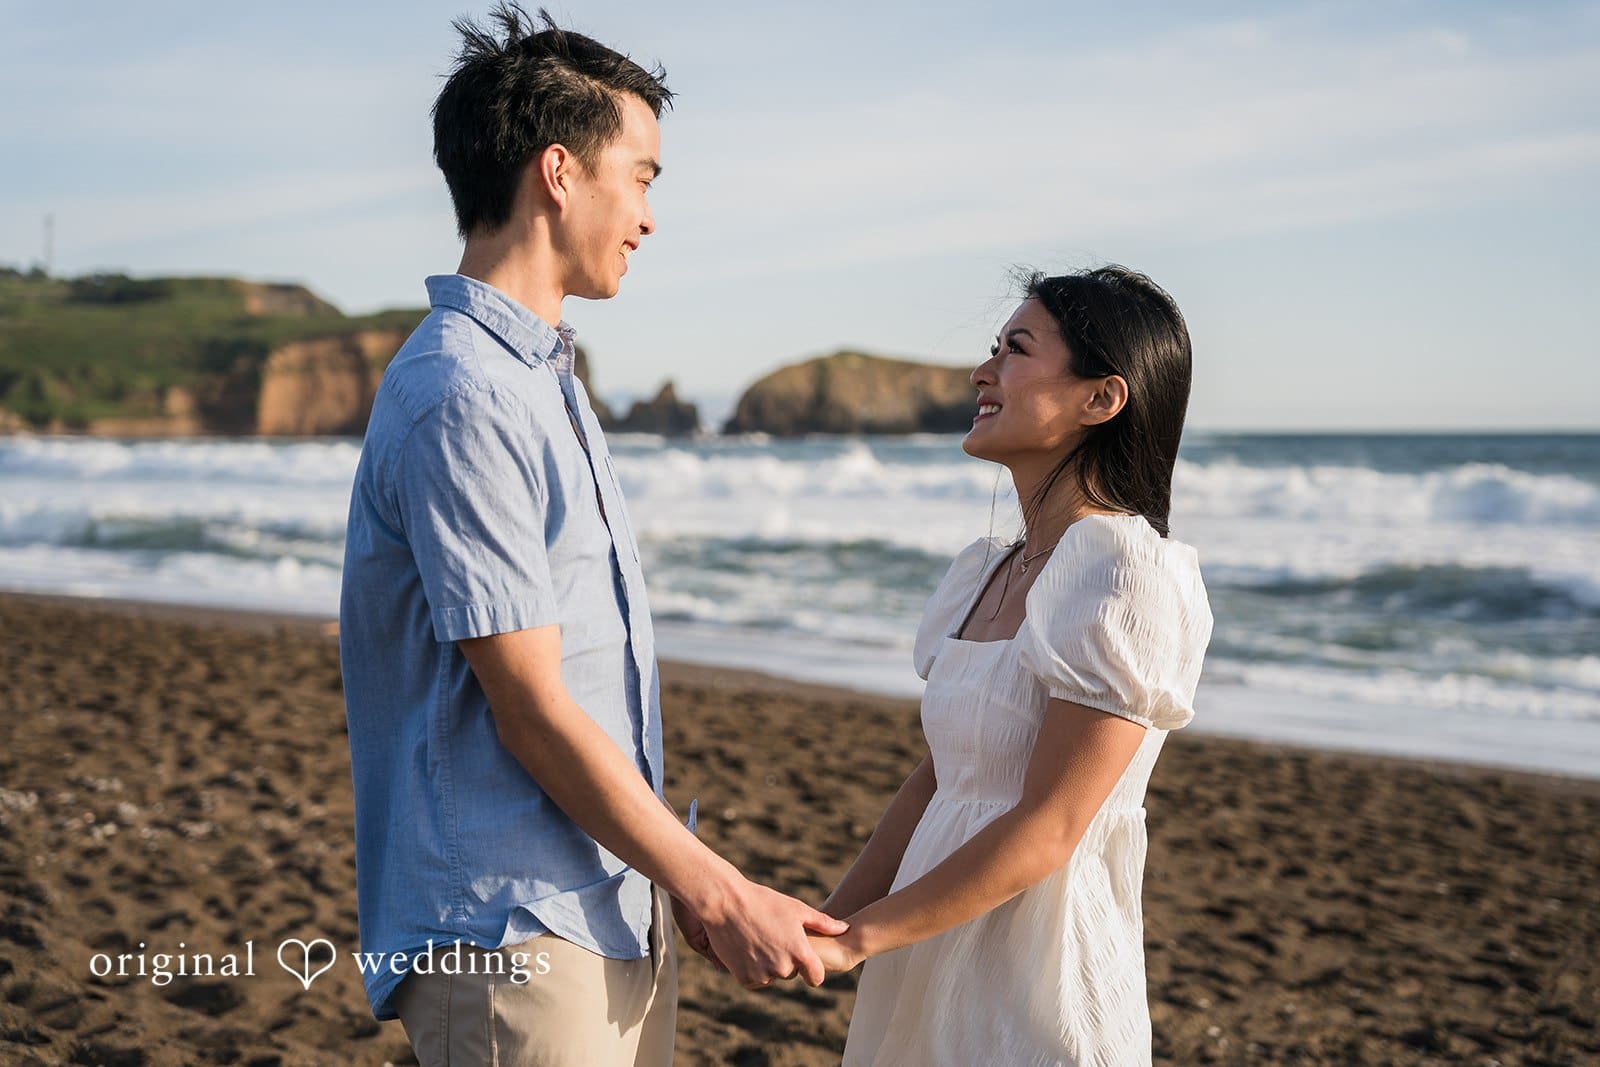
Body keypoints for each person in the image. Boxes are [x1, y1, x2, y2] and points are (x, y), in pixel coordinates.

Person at [337, 6, 846, 1065]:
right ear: (559, 173)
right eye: (642, 176)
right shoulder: (463, 392)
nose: (649, 216)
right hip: (510, 929)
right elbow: (531, 705)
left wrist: (670, 880)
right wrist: (718, 886)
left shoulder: (542, 380)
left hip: (606, 907)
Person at [809, 265, 1215, 1066]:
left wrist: (859, 937)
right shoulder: (989, 569)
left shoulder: (1124, 572)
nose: (981, 371)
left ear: (1102, 397)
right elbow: (939, 780)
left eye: (1016, 350)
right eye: (994, 347)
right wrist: (828, 921)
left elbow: (1051, 825)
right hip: (927, 958)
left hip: (1041, 984)